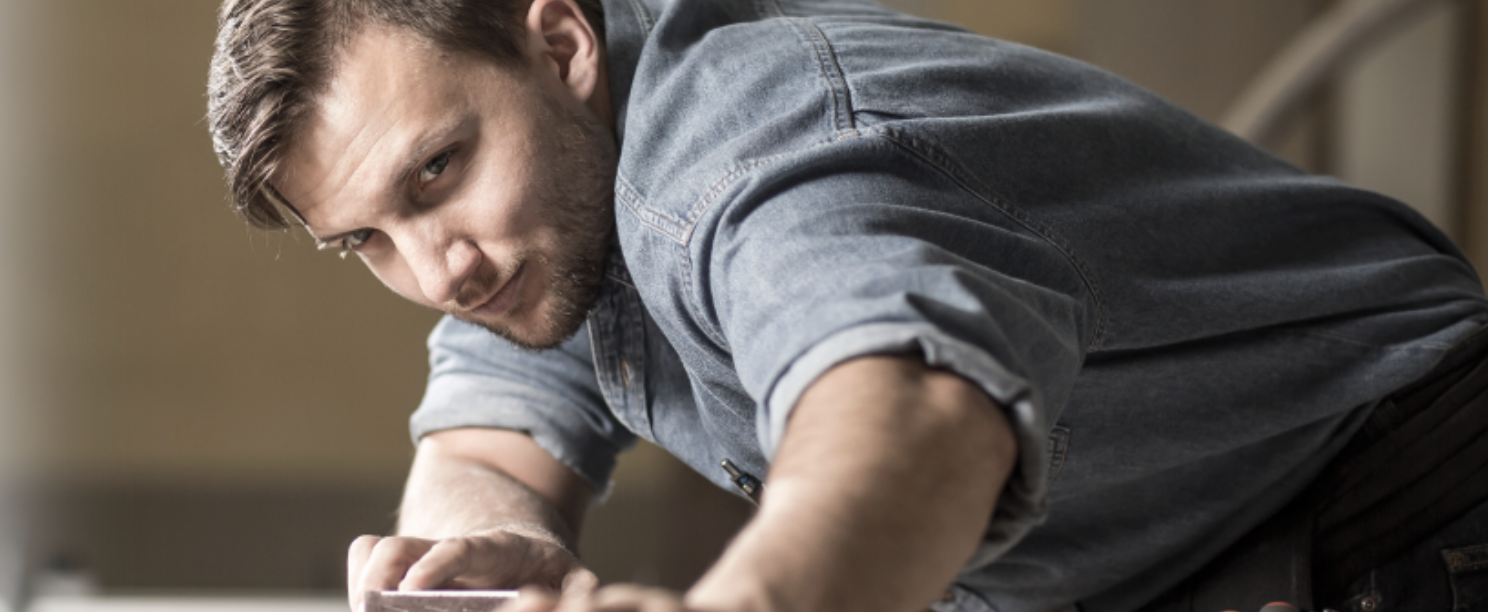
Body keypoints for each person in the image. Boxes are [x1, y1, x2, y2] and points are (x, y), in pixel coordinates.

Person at [205, 0, 1488, 610]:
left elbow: (912, 414)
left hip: (1412, 513)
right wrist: (469, 567)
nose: (439, 270)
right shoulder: (550, 212)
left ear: (558, 45)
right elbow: (488, 434)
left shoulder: (744, 150)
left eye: (438, 172)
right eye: (368, 236)